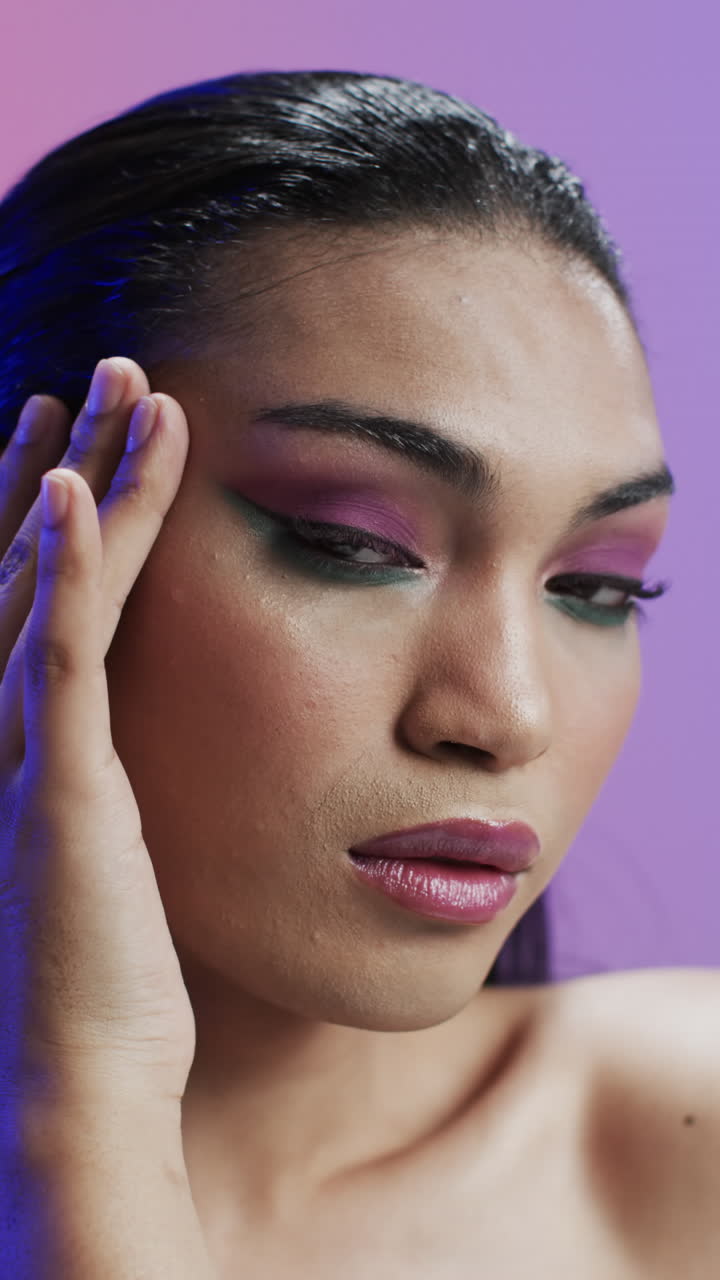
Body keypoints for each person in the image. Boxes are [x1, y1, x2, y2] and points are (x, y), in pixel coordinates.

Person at [0, 69, 717, 1279]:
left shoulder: (683, 1136)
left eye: (597, 585)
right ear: (29, 533)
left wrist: (93, 1123)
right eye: (351, 543)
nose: (507, 714)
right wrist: (83, 1106)